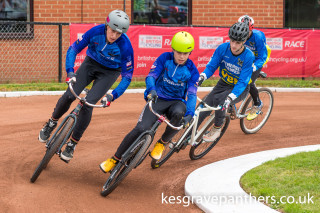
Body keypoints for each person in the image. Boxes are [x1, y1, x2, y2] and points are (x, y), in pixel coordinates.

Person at [38, 10, 134, 162]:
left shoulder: (126, 46)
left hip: (109, 73)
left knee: (88, 105)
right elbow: (73, 49)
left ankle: (72, 143)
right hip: (90, 64)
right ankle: (52, 122)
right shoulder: (95, 32)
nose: (114, 36)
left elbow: (127, 77)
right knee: (69, 94)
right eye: (112, 31)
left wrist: (112, 95)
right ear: (106, 25)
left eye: (118, 33)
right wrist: (70, 72)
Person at [100, 31, 199, 173]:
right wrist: (151, 90)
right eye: (179, 52)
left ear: (190, 53)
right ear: (173, 50)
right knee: (140, 128)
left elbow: (192, 94)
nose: (182, 56)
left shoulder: (192, 71)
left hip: (176, 102)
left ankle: (162, 143)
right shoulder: (164, 58)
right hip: (158, 98)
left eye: (186, 53)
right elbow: (151, 76)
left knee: (179, 114)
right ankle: (114, 159)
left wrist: (190, 113)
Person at [196, 22, 255, 142]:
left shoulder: (248, 56)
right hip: (223, 83)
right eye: (232, 41)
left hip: (239, 88)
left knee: (221, 101)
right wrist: (202, 76)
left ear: (244, 41)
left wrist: (230, 98)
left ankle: (217, 128)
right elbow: (212, 66)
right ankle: (191, 132)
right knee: (205, 105)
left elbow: (243, 82)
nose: (233, 45)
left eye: (237, 42)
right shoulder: (222, 48)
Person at [238, 15, 271, 120]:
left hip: (258, 59)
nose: (244, 34)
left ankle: (257, 104)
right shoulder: (237, 35)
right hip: (246, 58)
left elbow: (262, 56)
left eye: (247, 32)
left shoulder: (258, 37)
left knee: (248, 81)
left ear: (251, 29)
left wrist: (254, 67)